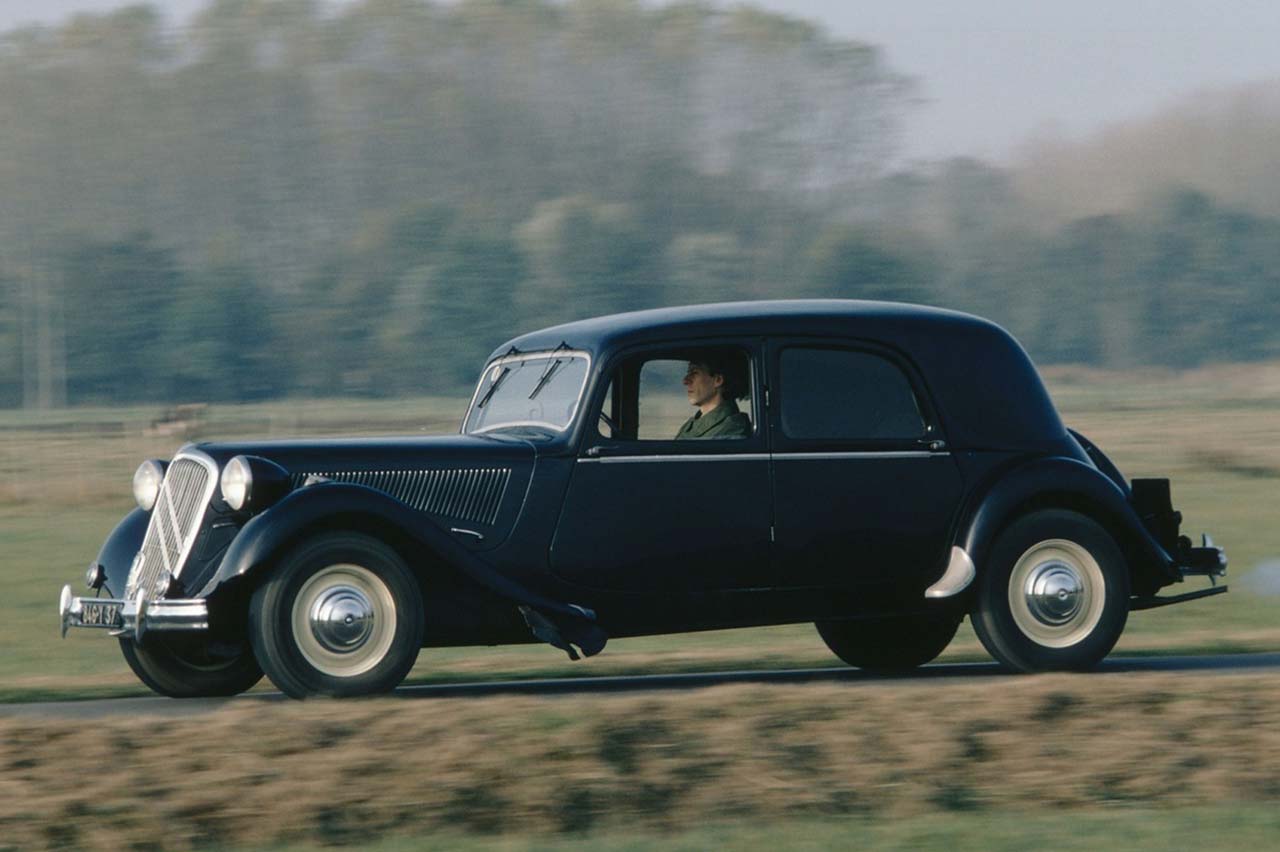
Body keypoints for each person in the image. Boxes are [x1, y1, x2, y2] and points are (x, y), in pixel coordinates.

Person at [674, 351, 751, 439]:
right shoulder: (690, 425)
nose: (685, 381)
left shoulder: (732, 429)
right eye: (689, 373)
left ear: (718, 380)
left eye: (694, 373)